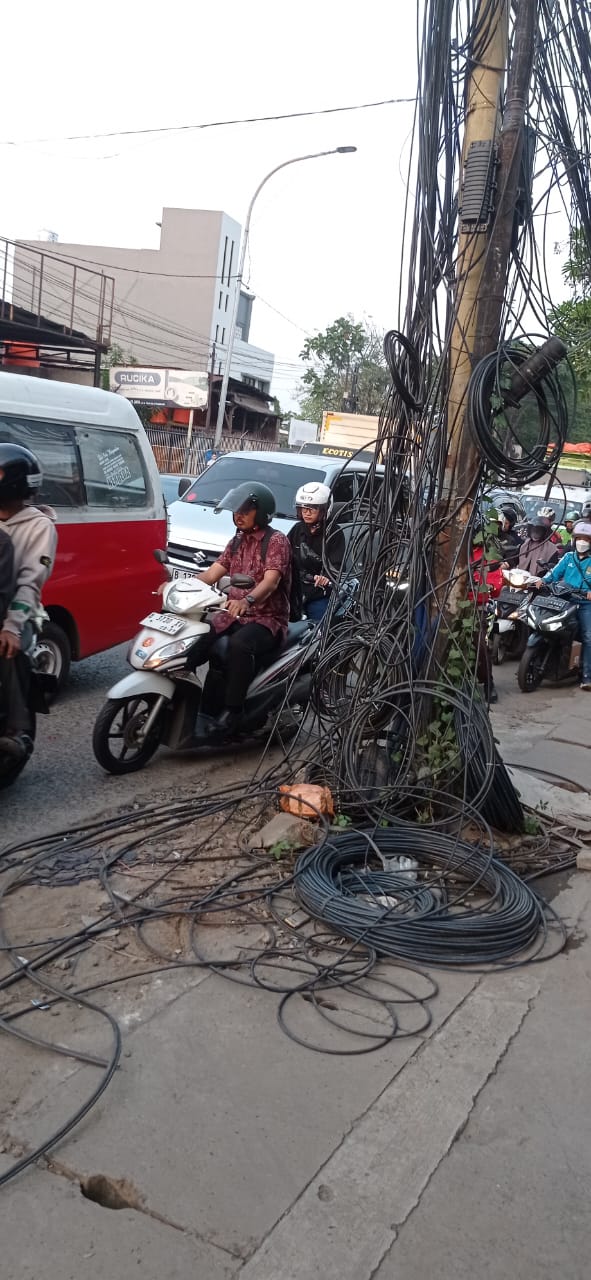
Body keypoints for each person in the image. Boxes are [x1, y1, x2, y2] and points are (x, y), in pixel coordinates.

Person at [183, 481, 291, 733]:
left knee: (239, 645)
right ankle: (189, 701)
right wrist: (179, 587)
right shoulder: (237, 541)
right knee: (197, 637)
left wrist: (246, 601)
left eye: (245, 510)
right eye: (236, 510)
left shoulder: (276, 541)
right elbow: (211, 574)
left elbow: (271, 582)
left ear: (261, 512)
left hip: (266, 619)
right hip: (231, 615)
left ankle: (234, 712)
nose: (238, 515)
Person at [0, 444, 58, 761]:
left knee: (9, 649)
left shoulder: (40, 527)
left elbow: (30, 582)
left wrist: (11, 626)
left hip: (20, 611)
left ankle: (16, 727)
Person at [534, 520, 591, 692]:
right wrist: (543, 580)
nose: (582, 542)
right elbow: (554, 573)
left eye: (586, 539)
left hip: (585, 604)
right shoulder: (568, 557)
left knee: (588, 636)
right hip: (565, 599)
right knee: (543, 624)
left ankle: (587, 677)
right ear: (574, 540)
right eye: (579, 538)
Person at [287, 482, 345, 622]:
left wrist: (325, 577)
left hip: (318, 593)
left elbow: (336, 565)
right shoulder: (297, 529)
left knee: (322, 623)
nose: (307, 513)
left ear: (324, 510)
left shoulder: (334, 532)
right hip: (294, 589)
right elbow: (284, 555)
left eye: (312, 509)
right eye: (303, 508)